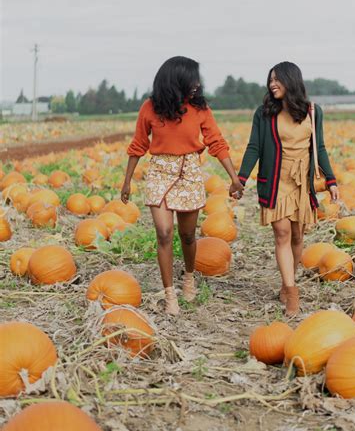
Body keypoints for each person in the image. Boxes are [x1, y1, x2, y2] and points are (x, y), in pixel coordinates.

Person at [121, 56, 243, 315]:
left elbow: (216, 142)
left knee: (187, 235)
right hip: (159, 172)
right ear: (176, 80)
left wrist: (234, 178)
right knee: (164, 233)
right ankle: (169, 295)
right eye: (192, 79)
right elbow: (138, 145)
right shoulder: (150, 108)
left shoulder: (200, 109)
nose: (197, 84)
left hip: (188, 172)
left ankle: (189, 276)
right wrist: (127, 181)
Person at [236, 62, 339, 317]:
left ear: (291, 81)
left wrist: (331, 180)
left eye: (277, 79)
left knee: (296, 236)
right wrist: (241, 178)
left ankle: (287, 280)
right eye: (270, 80)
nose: (272, 84)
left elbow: (320, 148)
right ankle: (292, 293)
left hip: (301, 182)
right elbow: (253, 147)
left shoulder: (313, 112)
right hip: (274, 181)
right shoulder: (264, 113)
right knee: (281, 233)